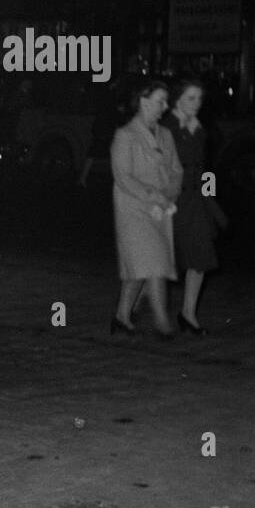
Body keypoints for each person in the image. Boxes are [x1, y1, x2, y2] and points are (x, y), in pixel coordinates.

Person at [110, 78, 181, 339]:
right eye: (159, 101)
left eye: (165, 101)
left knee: (141, 265)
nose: (164, 106)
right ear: (143, 101)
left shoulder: (166, 136)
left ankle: (122, 316)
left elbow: (176, 171)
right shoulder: (125, 135)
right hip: (134, 208)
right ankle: (162, 322)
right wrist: (153, 197)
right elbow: (123, 177)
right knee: (155, 262)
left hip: (161, 209)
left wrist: (168, 195)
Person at [163, 77, 225, 334]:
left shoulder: (198, 127)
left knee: (200, 255)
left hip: (195, 199)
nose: (197, 103)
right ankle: (126, 310)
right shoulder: (167, 127)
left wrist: (208, 199)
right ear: (177, 99)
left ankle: (188, 314)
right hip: (172, 199)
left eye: (199, 98)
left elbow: (202, 165)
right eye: (191, 98)